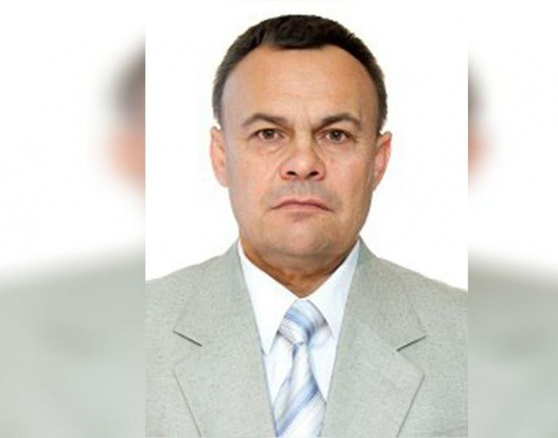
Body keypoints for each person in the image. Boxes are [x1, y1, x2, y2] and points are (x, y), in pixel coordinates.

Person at [146, 15, 467, 437]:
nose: (303, 163)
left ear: (378, 160)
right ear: (221, 156)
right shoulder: (127, 336)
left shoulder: (470, 340)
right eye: (268, 134)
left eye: (335, 135)